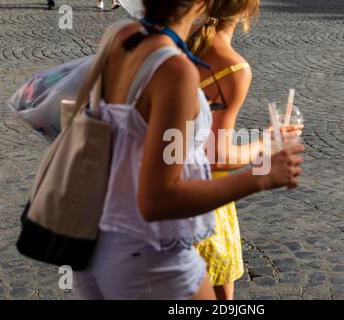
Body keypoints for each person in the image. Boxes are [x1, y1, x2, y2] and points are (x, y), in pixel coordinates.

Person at [73, 0, 304, 300]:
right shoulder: (175, 70)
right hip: (150, 254)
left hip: (96, 242)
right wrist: (263, 176)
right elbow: (156, 200)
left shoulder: (122, 35)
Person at [189, 0, 304, 300]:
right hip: (203, 201)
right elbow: (215, 156)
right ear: (245, 11)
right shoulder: (233, 68)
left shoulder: (174, 43)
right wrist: (266, 145)